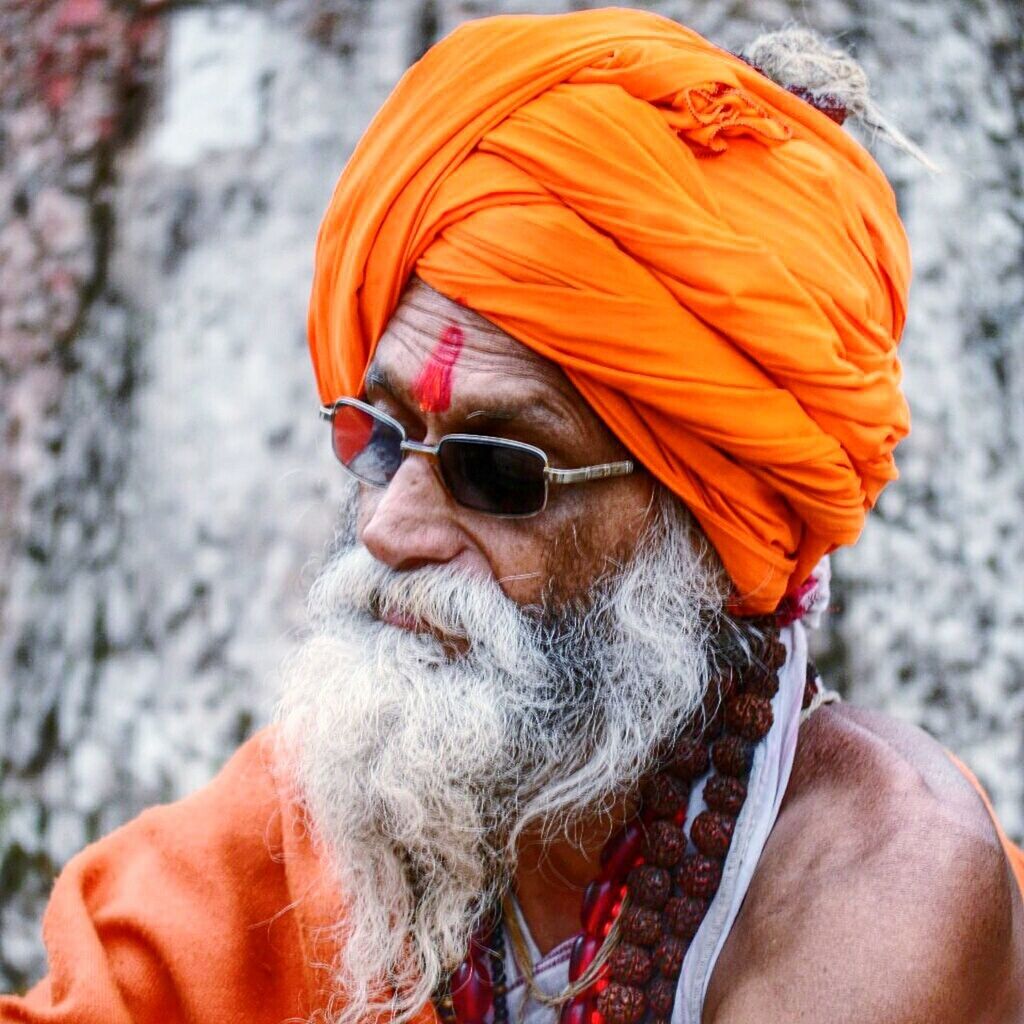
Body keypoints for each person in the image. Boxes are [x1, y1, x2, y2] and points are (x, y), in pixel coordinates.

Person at [2, 9, 1022, 1024]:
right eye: (382, 436)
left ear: (697, 531)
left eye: (497, 471)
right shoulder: (354, 792)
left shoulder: (878, 871)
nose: (389, 529)